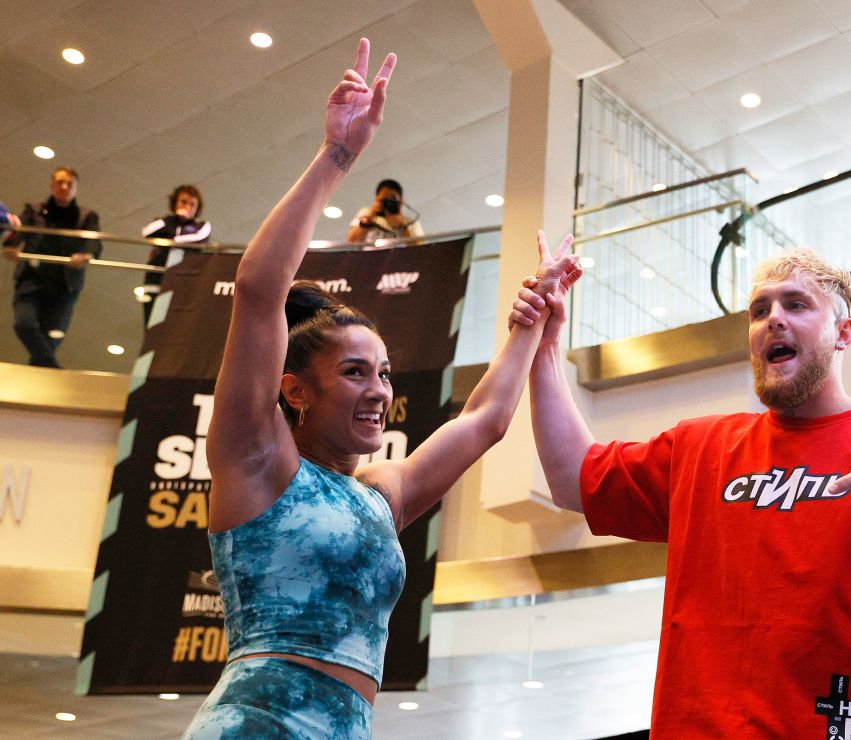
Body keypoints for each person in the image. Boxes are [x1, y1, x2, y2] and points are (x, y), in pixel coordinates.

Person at [182, 39, 579, 739]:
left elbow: (486, 418)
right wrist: (337, 157)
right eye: (355, 371)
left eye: (385, 372)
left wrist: (532, 322)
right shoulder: (257, 462)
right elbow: (257, 289)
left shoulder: (378, 495)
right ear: (295, 392)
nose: (379, 390)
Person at [510, 247, 851, 738]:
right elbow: (573, 478)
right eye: (759, 310)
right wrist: (547, 346)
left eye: (796, 304)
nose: (772, 319)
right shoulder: (700, 447)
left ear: (844, 332)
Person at [2, 167, 102, 368]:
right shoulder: (34, 210)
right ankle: (53, 370)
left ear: (76, 189)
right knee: (24, 324)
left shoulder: (87, 216)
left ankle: (40, 377)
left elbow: (94, 242)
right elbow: (20, 232)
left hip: (65, 285)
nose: (64, 187)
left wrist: (86, 255)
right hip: (31, 279)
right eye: (60, 183)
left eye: (69, 184)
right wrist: (11, 247)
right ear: (52, 185)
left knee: (51, 338)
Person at [139, 184, 212, 321]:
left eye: (192, 204)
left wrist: (172, 239)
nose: (187, 207)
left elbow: (199, 238)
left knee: (174, 322)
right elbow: (146, 232)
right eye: (183, 202)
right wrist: (171, 221)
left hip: (184, 279)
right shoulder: (166, 222)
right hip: (156, 278)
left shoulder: (201, 226)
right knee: (152, 321)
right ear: (175, 203)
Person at [345, 178, 424, 243]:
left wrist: (403, 227)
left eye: (393, 200)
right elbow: (352, 241)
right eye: (384, 200)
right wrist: (370, 217)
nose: (388, 204)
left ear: (401, 201)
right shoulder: (366, 214)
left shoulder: (410, 222)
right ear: (376, 199)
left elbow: (419, 250)